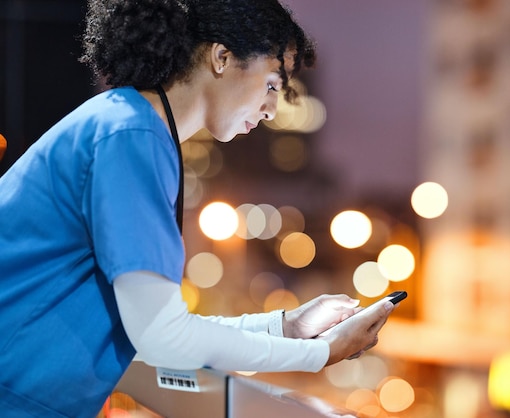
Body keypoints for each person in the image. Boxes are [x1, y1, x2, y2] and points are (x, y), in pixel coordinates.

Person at [0, 0, 396, 417]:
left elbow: (158, 322)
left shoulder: (128, 125)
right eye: (272, 85)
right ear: (221, 58)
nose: (273, 109)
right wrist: (319, 354)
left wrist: (288, 327)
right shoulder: (130, 136)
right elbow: (163, 337)